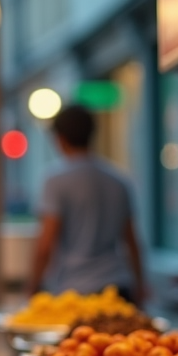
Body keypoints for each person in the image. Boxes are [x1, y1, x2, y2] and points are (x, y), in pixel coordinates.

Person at [28, 104, 147, 303]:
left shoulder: (55, 180)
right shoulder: (119, 180)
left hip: (74, 291)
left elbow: (45, 245)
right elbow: (132, 241)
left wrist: (32, 287)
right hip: (117, 288)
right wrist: (141, 284)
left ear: (60, 139)